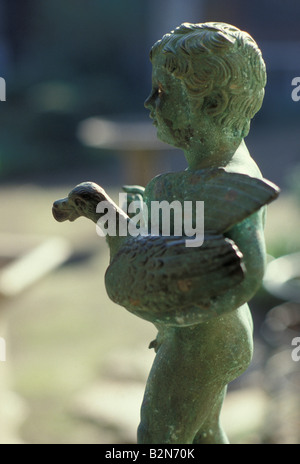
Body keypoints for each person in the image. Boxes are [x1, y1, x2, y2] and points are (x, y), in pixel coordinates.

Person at [137, 22, 269, 444]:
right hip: (205, 335)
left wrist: (179, 313)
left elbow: (250, 270)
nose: (149, 103)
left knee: (158, 438)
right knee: (206, 434)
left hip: (206, 341)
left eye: (162, 93)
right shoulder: (193, 180)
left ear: (210, 102)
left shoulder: (232, 181)